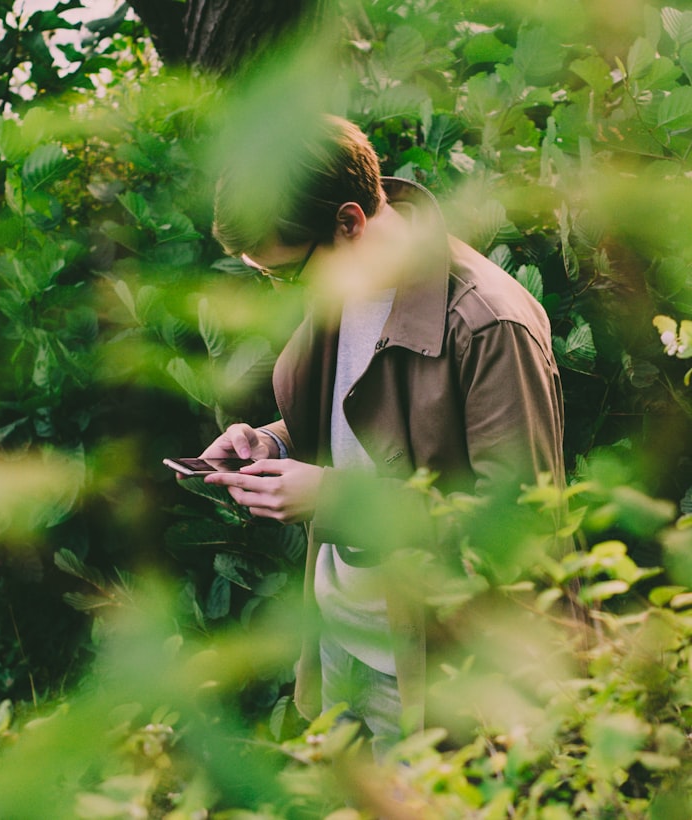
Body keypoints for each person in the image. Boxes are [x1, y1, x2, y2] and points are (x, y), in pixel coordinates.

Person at [196, 114, 565, 748]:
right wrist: (274, 442)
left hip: (438, 672)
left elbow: (520, 527)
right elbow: (369, 418)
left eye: (283, 273)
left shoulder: (487, 323)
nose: (280, 289)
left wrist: (337, 498)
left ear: (349, 221)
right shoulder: (343, 277)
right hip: (339, 637)